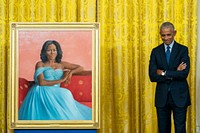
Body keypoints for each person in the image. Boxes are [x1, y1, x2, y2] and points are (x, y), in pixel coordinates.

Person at [19, 40, 92, 120]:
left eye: (54, 50)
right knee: (65, 93)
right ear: (45, 52)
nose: (52, 52)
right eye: (49, 50)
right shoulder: (40, 64)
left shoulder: (61, 64)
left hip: (55, 90)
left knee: (66, 93)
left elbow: (80, 68)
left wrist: (71, 72)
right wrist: (61, 80)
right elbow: (41, 82)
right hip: (41, 90)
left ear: (58, 51)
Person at [149, 22, 191, 133]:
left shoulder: (183, 50)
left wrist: (163, 73)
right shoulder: (155, 51)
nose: (166, 38)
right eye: (163, 35)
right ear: (160, 34)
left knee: (180, 129)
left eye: (169, 35)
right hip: (162, 97)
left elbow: (184, 74)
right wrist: (175, 72)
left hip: (179, 97)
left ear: (174, 33)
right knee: (163, 130)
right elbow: (152, 76)